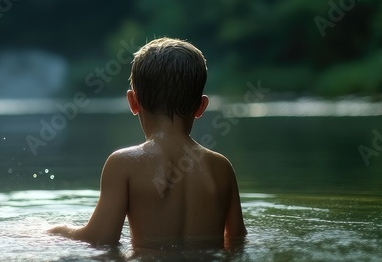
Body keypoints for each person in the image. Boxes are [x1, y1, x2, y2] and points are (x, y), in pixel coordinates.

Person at [48, 37, 246, 249]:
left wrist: (57, 230)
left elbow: (99, 239)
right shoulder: (221, 167)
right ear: (201, 107)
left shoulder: (124, 163)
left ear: (133, 102)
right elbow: (236, 239)